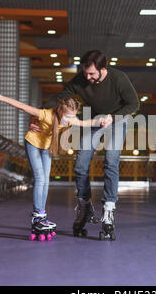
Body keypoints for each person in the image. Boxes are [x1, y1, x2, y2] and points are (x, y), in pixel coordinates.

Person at [33, 50, 139, 240]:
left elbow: (133, 104)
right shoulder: (82, 78)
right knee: (81, 163)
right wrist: (39, 114)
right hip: (94, 119)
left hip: (117, 119)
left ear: (103, 69)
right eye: (85, 73)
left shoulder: (119, 78)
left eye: (92, 74)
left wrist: (112, 117)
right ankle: (84, 206)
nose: (87, 77)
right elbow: (60, 97)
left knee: (111, 163)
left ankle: (108, 212)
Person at [0, 84, 100, 241]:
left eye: (72, 117)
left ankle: (42, 215)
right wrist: (0, 97)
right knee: (40, 178)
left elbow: (86, 123)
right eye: (67, 117)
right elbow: (22, 107)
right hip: (32, 144)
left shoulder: (70, 120)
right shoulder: (46, 114)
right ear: (60, 110)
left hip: (46, 148)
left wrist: (102, 121)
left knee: (46, 180)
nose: (69, 120)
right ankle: (37, 216)